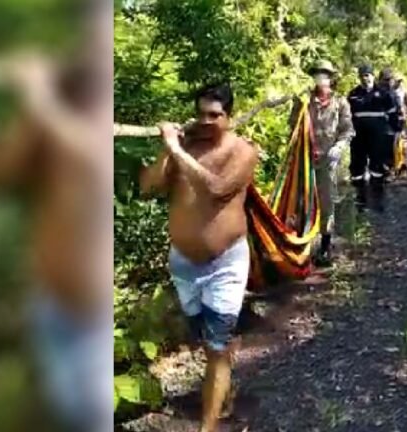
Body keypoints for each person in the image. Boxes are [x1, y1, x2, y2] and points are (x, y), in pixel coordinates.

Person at [0, 45, 112, 432]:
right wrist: (29, 113)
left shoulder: (80, 125)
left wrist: (39, 99)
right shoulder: (50, 121)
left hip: (91, 322)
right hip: (50, 307)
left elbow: (91, 159)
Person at [140, 83, 259, 432]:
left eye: (215, 115)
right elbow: (148, 187)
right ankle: (225, 383)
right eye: (201, 114)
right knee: (206, 343)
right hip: (183, 264)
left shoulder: (242, 151)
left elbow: (217, 188)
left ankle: (208, 427)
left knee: (217, 345)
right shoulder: (184, 148)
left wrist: (177, 151)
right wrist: (167, 150)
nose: (206, 121)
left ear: (229, 117)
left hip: (226, 263)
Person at [288, 59, 355, 266]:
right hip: (305, 159)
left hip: (328, 161)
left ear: (331, 78)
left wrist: (339, 147)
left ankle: (325, 246)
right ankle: (302, 247)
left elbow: (347, 130)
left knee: (326, 202)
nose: (321, 78)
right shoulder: (304, 101)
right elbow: (292, 128)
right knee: (302, 201)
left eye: (325, 74)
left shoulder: (340, 102)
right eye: (317, 74)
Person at [347, 64, 398, 210]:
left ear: (373, 76)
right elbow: (346, 117)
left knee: (377, 167)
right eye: (362, 75)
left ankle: (378, 200)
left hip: (378, 138)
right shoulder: (353, 94)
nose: (365, 78)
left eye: (368, 75)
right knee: (357, 168)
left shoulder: (383, 94)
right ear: (359, 77)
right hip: (358, 138)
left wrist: (395, 131)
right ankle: (361, 200)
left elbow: (393, 113)